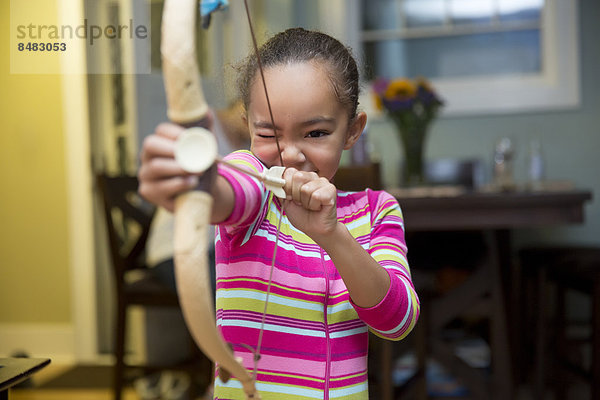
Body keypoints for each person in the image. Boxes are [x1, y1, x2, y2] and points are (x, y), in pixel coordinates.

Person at [138, 27, 419, 400]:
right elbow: (225, 192)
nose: (290, 155)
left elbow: (396, 322)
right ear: (248, 128)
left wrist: (333, 235)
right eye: (268, 134)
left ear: (352, 131)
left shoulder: (377, 209)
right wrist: (193, 182)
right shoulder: (251, 185)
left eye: (316, 133)